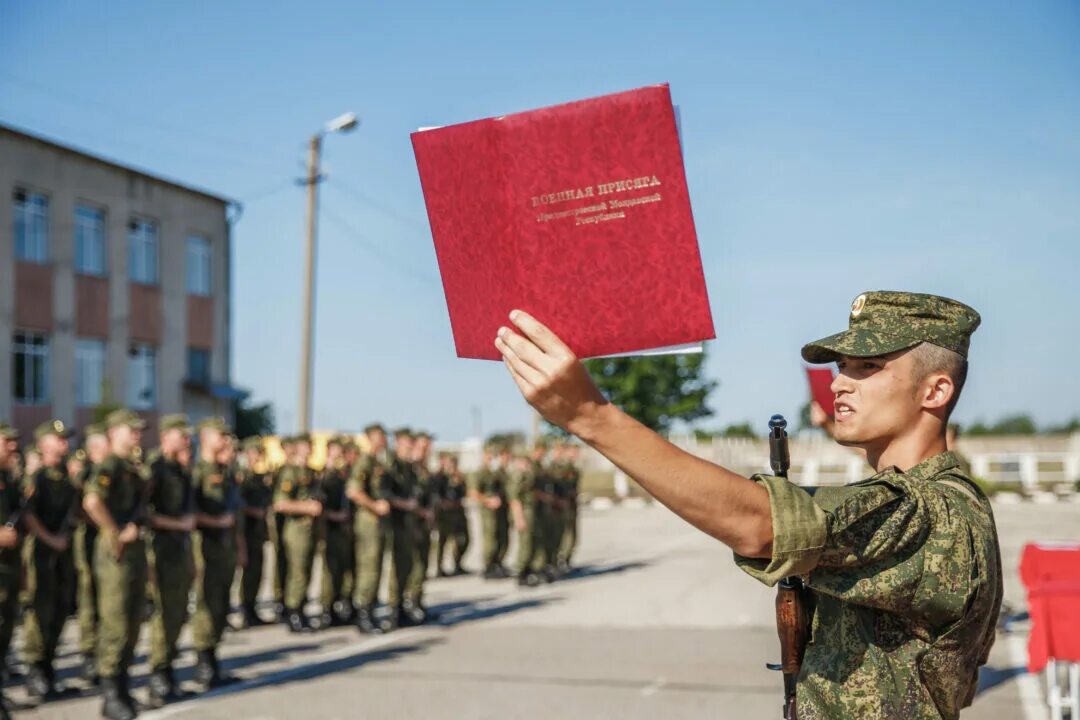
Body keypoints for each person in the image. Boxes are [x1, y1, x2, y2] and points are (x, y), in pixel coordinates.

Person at [493, 292, 1003, 720]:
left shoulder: (934, 509)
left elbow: (760, 524)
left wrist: (592, 417)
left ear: (936, 390)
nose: (840, 382)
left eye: (868, 367)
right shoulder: (912, 497)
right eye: (841, 366)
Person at [82, 409, 148, 720]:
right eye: (130, 429)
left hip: (133, 551)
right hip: (114, 554)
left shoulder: (130, 467)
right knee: (116, 621)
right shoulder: (109, 464)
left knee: (133, 620)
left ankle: (122, 687)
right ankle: (110, 695)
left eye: (138, 430)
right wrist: (116, 531)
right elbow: (92, 501)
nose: (136, 433)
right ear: (114, 432)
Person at [21, 421, 79, 700]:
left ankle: (48, 668)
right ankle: (34, 671)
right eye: (59, 439)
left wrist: (64, 535)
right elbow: (28, 515)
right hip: (42, 553)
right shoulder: (37, 478)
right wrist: (51, 539)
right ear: (44, 444)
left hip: (63, 552)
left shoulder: (67, 477)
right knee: (40, 611)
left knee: (59, 609)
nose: (65, 444)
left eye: (66, 439)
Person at [143, 414, 196, 706]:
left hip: (179, 549)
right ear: (165, 437)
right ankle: (157, 675)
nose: (187, 439)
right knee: (163, 612)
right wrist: (177, 525)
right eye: (181, 434)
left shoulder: (180, 469)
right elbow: (143, 512)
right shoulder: (156, 468)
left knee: (177, 612)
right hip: (160, 548)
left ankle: (168, 669)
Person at [191, 418, 242, 689]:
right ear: (206, 436)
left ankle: (213, 658)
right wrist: (217, 523)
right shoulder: (197, 471)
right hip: (205, 547)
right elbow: (190, 513)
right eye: (220, 435)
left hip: (224, 548)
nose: (225, 440)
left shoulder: (224, 471)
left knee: (221, 603)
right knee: (206, 605)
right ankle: (203, 664)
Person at [273, 434, 321, 632]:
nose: (308, 449)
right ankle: (293, 610)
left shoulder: (310, 472)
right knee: (297, 571)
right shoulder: (290, 472)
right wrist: (306, 507)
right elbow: (280, 503)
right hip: (296, 528)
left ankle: (300, 607)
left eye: (310, 445)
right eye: (304, 446)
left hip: (310, 528)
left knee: (307, 569)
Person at [348, 424, 392, 634]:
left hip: (378, 523)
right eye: (378, 437)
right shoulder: (364, 461)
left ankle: (371, 609)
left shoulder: (378, 462)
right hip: (368, 522)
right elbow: (354, 491)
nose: (383, 441)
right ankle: (363, 612)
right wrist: (375, 506)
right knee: (368, 568)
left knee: (376, 566)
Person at [75, 423, 108, 685]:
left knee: (104, 599)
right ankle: (88, 653)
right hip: (87, 540)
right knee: (89, 597)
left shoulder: (105, 471)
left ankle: (100, 651)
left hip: (102, 540)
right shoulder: (86, 473)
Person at [0, 423, 23, 720]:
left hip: (8, 568)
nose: (14, 448)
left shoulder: (7, 478)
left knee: (4, 633)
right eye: (7, 442)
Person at [238, 436, 273, 627]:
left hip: (257, 531)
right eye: (255, 452)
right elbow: (238, 504)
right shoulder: (243, 477)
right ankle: (245, 609)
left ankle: (251, 608)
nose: (258, 456)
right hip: (246, 529)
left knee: (257, 570)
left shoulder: (259, 477)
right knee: (248, 571)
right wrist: (254, 511)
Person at [318, 436, 353, 627]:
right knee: (330, 572)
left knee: (342, 570)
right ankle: (326, 608)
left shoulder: (342, 476)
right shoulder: (325, 477)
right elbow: (320, 504)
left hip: (342, 530)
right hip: (330, 528)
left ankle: (336, 606)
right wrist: (335, 516)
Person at [472, 442, 511, 579]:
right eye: (489, 455)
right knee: (490, 539)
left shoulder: (497, 472)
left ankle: (498, 563)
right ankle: (488, 566)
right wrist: (487, 500)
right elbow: (473, 493)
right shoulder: (480, 473)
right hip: (488, 511)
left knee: (502, 537)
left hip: (501, 510)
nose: (492, 458)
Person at [432, 452, 469, 576]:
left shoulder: (458, 478)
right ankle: (439, 567)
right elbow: (436, 496)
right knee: (442, 541)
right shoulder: (439, 477)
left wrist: (459, 481)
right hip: (444, 514)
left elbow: (464, 494)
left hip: (458, 513)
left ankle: (457, 563)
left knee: (463, 539)